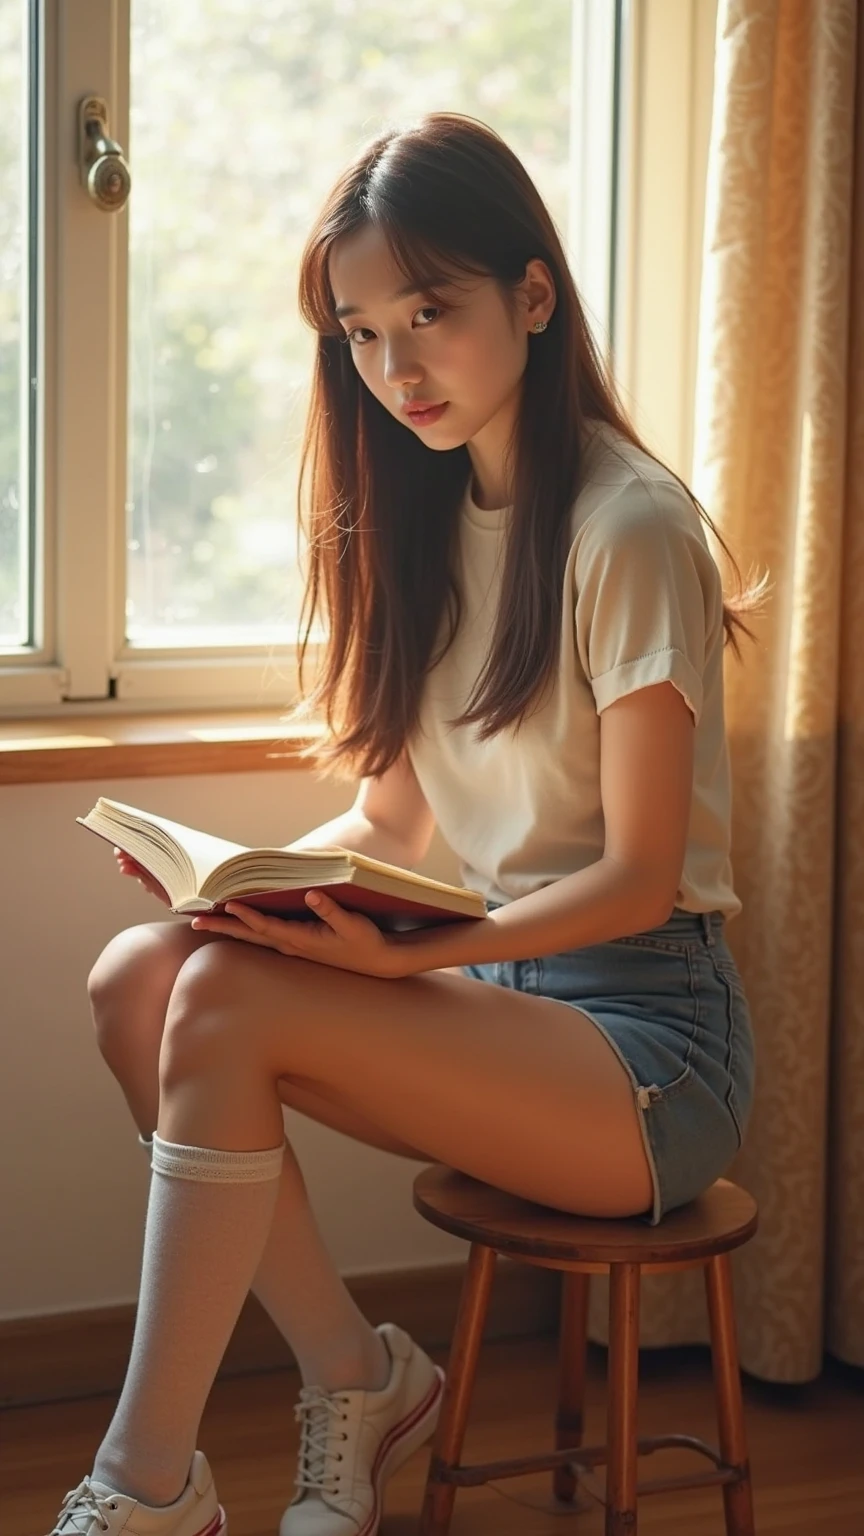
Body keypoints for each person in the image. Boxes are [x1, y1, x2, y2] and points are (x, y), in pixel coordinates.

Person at [51, 111, 768, 1536]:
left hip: (650, 1057)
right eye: (364, 332)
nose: (398, 367)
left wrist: (409, 962)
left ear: (535, 297)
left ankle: (146, 1484)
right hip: (505, 997)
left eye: (430, 312)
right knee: (143, 979)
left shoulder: (631, 529)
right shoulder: (429, 524)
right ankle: (360, 1375)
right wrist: (240, 891)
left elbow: (634, 881)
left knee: (234, 1013)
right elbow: (395, 814)